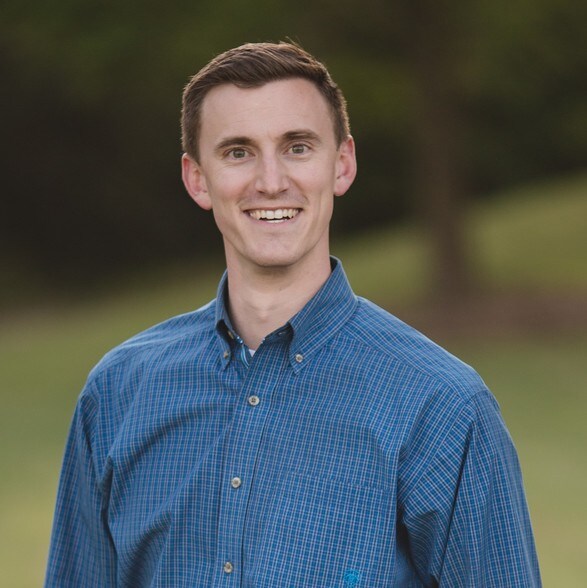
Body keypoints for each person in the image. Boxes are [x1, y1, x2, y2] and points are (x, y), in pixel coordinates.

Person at [45, 42, 541, 587]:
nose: (271, 181)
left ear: (342, 164)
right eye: (238, 152)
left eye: (297, 147)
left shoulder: (440, 404)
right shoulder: (118, 392)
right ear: (197, 179)